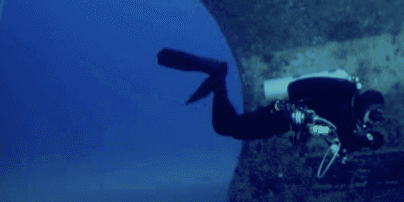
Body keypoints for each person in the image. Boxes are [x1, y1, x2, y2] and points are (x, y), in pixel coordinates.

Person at [157, 48, 385, 153]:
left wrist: (369, 141)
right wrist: (292, 110)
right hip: (280, 114)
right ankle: (218, 75)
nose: (373, 120)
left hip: (282, 121)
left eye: (377, 118)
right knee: (226, 127)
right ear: (366, 104)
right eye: (374, 114)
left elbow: (344, 142)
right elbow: (299, 88)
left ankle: (218, 80)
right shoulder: (344, 95)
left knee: (230, 128)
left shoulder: (348, 119)